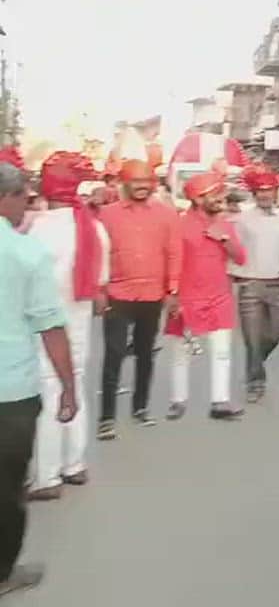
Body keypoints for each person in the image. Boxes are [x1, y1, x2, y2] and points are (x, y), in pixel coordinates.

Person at [0, 161, 78, 596]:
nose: (26, 209)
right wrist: (68, 386)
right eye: (23, 200)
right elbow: (50, 325)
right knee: (7, 489)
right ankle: (3, 574)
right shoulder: (26, 253)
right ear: (7, 198)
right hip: (10, 395)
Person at [24, 153, 107, 500]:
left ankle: (47, 477)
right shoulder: (94, 228)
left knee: (48, 391)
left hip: (43, 323)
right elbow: (101, 283)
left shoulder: (36, 229)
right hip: (78, 318)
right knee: (75, 384)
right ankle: (74, 464)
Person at [96, 159, 181, 437]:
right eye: (136, 181)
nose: (142, 187)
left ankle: (140, 408)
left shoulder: (167, 214)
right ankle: (106, 417)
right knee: (114, 353)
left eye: (146, 181)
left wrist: (173, 290)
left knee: (146, 354)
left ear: (153, 184)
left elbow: (173, 253)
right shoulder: (107, 214)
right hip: (117, 294)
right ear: (124, 183)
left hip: (152, 295)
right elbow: (98, 252)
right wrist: (99, 289)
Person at [164, 173, 246, 421]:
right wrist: (172, 293)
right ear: (198, 199)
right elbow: (173, 260)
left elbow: (240, 258)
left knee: (222, 351)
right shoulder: (181, 225)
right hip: (187, 298)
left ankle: (219, 402)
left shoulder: (225, 224)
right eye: (215, 194)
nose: (221, 198)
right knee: (181, 351)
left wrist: (224, 238)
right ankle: (178, 400)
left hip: (219, 296)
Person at [229, 163, 279, 403]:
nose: (264, 194)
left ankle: (255, 362)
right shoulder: (242, 219)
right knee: (252, 337)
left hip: (277, 284)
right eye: (260, 190)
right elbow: (234, 252)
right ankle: (256, 382)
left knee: (275, 333)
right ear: (254, 193)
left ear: (275, 192)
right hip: (250, 284)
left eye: (269, 190)